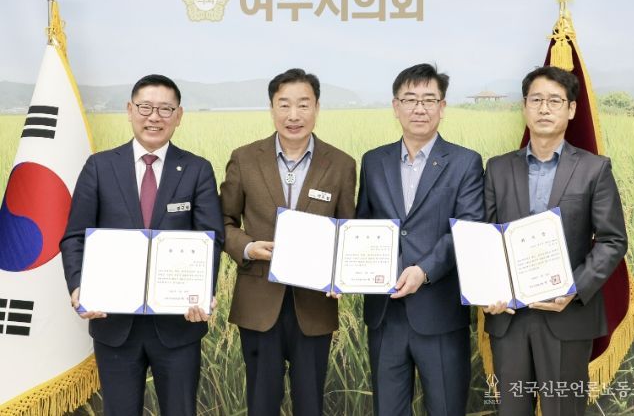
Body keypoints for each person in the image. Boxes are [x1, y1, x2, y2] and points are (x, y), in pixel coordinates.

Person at [61, 74, 224, 416]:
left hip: (178, 326)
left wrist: (201, 291)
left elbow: (211, 240)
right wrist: (78, 287)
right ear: (130, 110)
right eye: (146, 107)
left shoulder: (196, 170)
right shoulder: (100, 167)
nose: (154, 117)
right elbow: (75, 236)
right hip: (115, 325)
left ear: (178, 116)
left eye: (165, 109)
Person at [483, 66, 628, 416]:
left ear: (572, 109)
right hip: (509, 317)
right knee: (511, 409)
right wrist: (488, 289)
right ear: (524, 106)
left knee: (563, 409)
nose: (544, 109)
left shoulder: (594, 168)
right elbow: (485, 237)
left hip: (568, 315)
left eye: (554, 101)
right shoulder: (498, 168)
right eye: (536, 100)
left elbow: (612, 240)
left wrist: (573, 288)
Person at [221, 68, 356, 416]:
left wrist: (341, 272)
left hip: (314, 305)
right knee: (261, 403)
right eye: (284, 105)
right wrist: (248, 247)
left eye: (303, 104)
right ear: (272, 109)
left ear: (317, 108)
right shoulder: (245, 158)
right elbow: (223, 221)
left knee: (310, 403)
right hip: (258, 302)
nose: (293, 115)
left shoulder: (341, 164)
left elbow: (348, 232)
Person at [356, 63, 484, 415]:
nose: (419, 108)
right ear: (395, 106)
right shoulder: (373, 161)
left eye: (429, 100)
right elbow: (363, 225)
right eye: (410, 99)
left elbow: (467, 228)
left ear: (442, 107)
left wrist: (424, 270)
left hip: (439, 312)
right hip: (385, 313)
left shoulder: (465, 162)